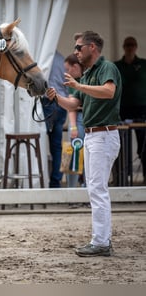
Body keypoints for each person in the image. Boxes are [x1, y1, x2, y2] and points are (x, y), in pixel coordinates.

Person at [46, 30, 122, 257]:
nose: (76, 51)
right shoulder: (88, 75)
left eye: (79, 47)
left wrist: (78, 86)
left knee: (97, 189)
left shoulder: (107, 68)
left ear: (92, 48)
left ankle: (101, 242)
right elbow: (72, 105)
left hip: (103, 134)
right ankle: (101, 240)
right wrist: (56, 97)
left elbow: (109, 92)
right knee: (94, 189)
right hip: (92, 136)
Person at [115, 36, 146, 184]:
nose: (129, 47)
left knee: (144, 145)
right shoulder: (117, 66)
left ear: (136, 47)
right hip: (122, 109)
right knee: (121, 146)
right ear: (123, 46)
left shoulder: (143, 64)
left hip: (142, 109)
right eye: (127, 45)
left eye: (132, 45)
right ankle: (121, 179)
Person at [41, 51, 68, 188]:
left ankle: (41, 181)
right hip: (61, 103)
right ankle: (55, 182)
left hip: (47, 102)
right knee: (57, 146)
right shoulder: (62, 59)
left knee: (39, 141)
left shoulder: (42, 57)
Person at [64, 54, 85, 188]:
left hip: (83, 117)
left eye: (68, 69)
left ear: (76, 66)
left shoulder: (84, 78)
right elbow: (72, 107)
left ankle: (82, 188)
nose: (67, 73)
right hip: (79, 117)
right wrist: (73, 126)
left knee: (78, 154)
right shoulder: (72, 81)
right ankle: (71, 189)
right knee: (72, 153)